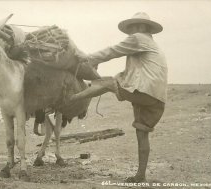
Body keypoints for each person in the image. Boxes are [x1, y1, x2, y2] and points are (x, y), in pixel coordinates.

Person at [72, 12, 168, 183]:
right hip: (157, 97)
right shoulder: (151, 44)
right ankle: (140, 175)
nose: (132, 30)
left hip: (145, 90)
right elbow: (134, 70)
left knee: (106, 83)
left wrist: (88, 58)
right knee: (142, 132)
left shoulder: (138, 38)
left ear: (141, 27)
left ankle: (70, 99)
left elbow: (112, 51)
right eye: (132, 27)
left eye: (134, 27)